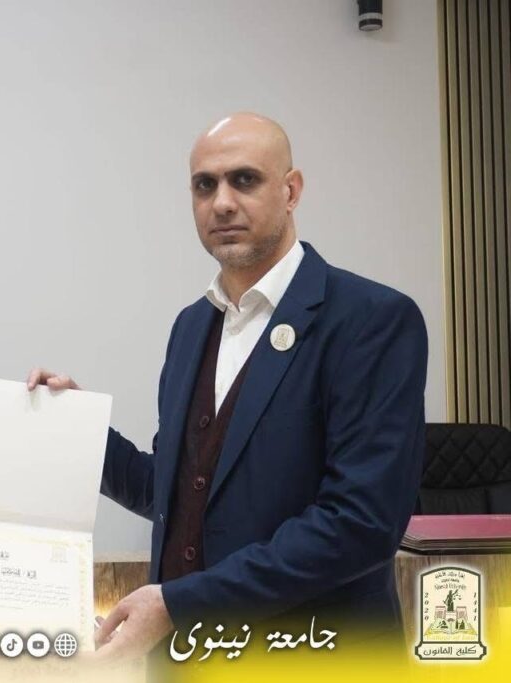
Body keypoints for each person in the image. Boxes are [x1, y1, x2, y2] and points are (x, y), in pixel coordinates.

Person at [28, 113, 428, 659]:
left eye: (244, 180)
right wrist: (82, 430)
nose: (221, 203)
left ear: (291, 191)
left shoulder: (371, 319)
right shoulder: (191, 327)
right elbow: (179, 495)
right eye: (204, 185)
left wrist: (181, 604)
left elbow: (360, 524)